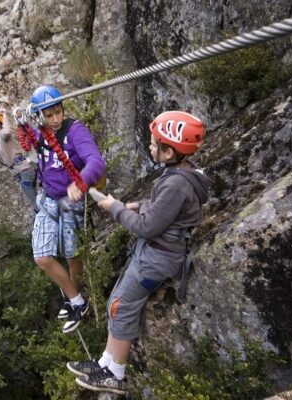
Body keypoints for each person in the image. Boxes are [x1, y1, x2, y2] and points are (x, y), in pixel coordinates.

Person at [66, 111, 210, 395]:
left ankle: (115, 373)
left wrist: (116, 209)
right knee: (117, 301)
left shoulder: (175, 183)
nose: (151, 146)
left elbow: (146, 227)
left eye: (155, 144)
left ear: (169, 151)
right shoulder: (180, 174)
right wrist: (140, 203)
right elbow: (165, 208)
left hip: (158, 258)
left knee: (122, 306)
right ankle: (106, 361)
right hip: (155, 253)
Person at [29, 85, 106, 334]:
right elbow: (22, 131)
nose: (56, 119)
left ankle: (75, 300)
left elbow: (95, 161)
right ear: (41, 116)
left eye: (58, 112)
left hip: (71, 201)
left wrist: (80, 181)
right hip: (49, 199)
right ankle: (76, 300)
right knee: (42, 257)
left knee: (73, 255)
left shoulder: (74, 130)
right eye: (49, 115)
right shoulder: (39, 132)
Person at [0, 110, 39, 212]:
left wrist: (4, 116)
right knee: (32, 200)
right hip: (20, 172)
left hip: (24, 171)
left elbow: (7, 131)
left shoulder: (2, 134)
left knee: (34, 202)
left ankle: (45, 221)